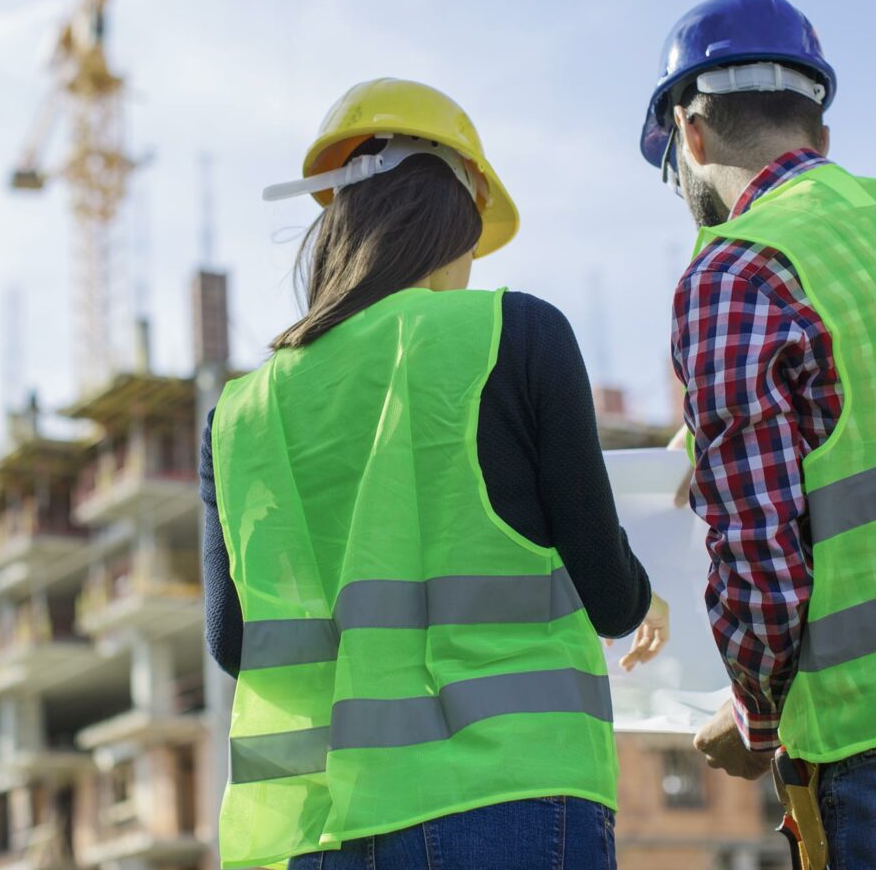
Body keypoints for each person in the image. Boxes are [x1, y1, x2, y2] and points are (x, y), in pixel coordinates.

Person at [200, 77, 666, 870]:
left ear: (340, 223)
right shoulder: (513, 334)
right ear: (456, 219)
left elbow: (234, 641)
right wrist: (643, 593)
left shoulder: (241, 414)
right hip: (506, 799)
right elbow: (607, 588)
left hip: (316, 827)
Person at [641, 0, 876, 866]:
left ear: (690, 136)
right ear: (820, 128)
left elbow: (761, 562)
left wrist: (754, 718)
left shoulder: (738, 271)